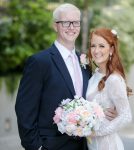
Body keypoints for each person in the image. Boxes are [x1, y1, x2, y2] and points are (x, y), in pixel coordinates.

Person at [15, 3, 117, 150]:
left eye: (76, 22)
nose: (71, 27)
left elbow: (87, 101)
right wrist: (36, 147)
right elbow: (24, 109)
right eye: (66, 22)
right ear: (55, 26)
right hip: (50, 145)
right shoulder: (39, 62)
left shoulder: (85, 62)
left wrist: (105, 111)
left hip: (82, 145)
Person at [86, 28, 132, 150]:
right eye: (93, 46)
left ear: (111, 49)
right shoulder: (94, 75)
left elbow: (126, 115)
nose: (96, 51)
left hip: (107, 145)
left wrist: (96, 132)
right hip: (91, 145)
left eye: (101, 46)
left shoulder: (114, 79)